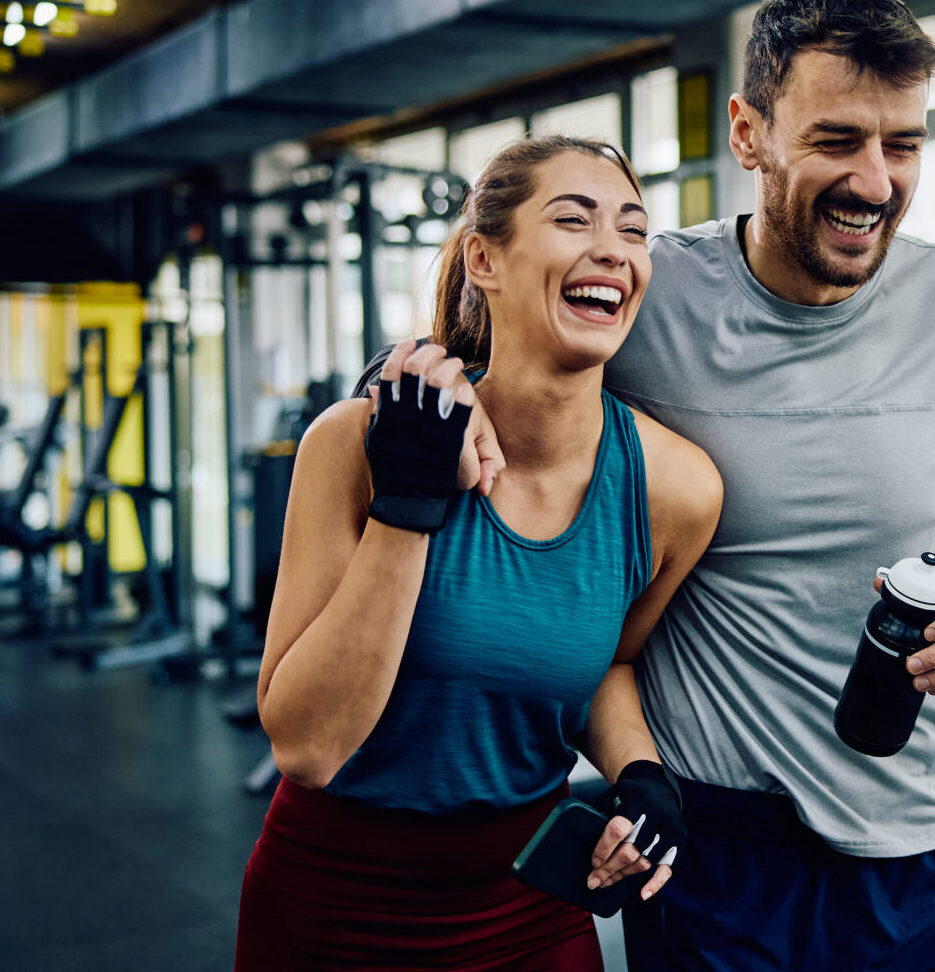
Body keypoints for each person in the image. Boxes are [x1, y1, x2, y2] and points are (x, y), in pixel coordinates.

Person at [369, 0, 935, 971]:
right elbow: (479, 347)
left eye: (903, 143)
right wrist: (416, 380)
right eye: (837, 139)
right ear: (750, 134)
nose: (876, 179)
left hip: (913, 834)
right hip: (716, 845)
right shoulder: (651, 291)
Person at [238, 136, 723, 972]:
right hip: (332, 903)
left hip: (529, 907)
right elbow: (307, 748)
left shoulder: (675, 489)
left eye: (634, 231)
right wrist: (409, 505)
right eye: (573, 219)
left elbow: (611, 663)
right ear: (485, 259)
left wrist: (642, 774)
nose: (612, 247)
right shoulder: (353, 443)